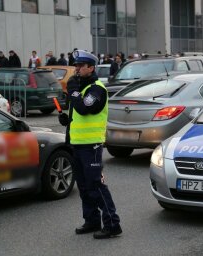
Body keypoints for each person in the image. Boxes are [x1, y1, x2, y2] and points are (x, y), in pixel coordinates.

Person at [57, 50, 122, 239]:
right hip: (77, 143)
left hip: (91, 145)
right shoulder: (80, 87)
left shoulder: (96, 88)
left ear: (91, 68)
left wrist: (74, 93)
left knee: (96, 184)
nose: (76, 69)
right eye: (76, 65)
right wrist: (66, 120)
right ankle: (92, 220)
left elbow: (85, 109)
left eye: (81, 66)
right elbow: (77, 114)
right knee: (84, 186)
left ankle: (112, 224)